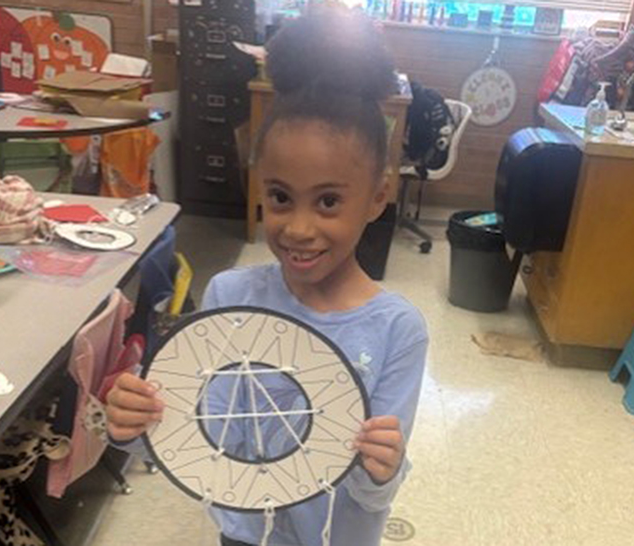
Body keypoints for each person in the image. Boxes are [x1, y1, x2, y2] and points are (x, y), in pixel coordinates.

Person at [105, 8, 428, 546]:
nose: (298, 228)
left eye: (328, 201)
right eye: (280, 197)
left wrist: (383, 468)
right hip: (245, 535)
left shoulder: (397, 329)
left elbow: (375, 494)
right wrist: (134, 427)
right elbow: (197, 438)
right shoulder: (230, 294)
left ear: (378, 196)